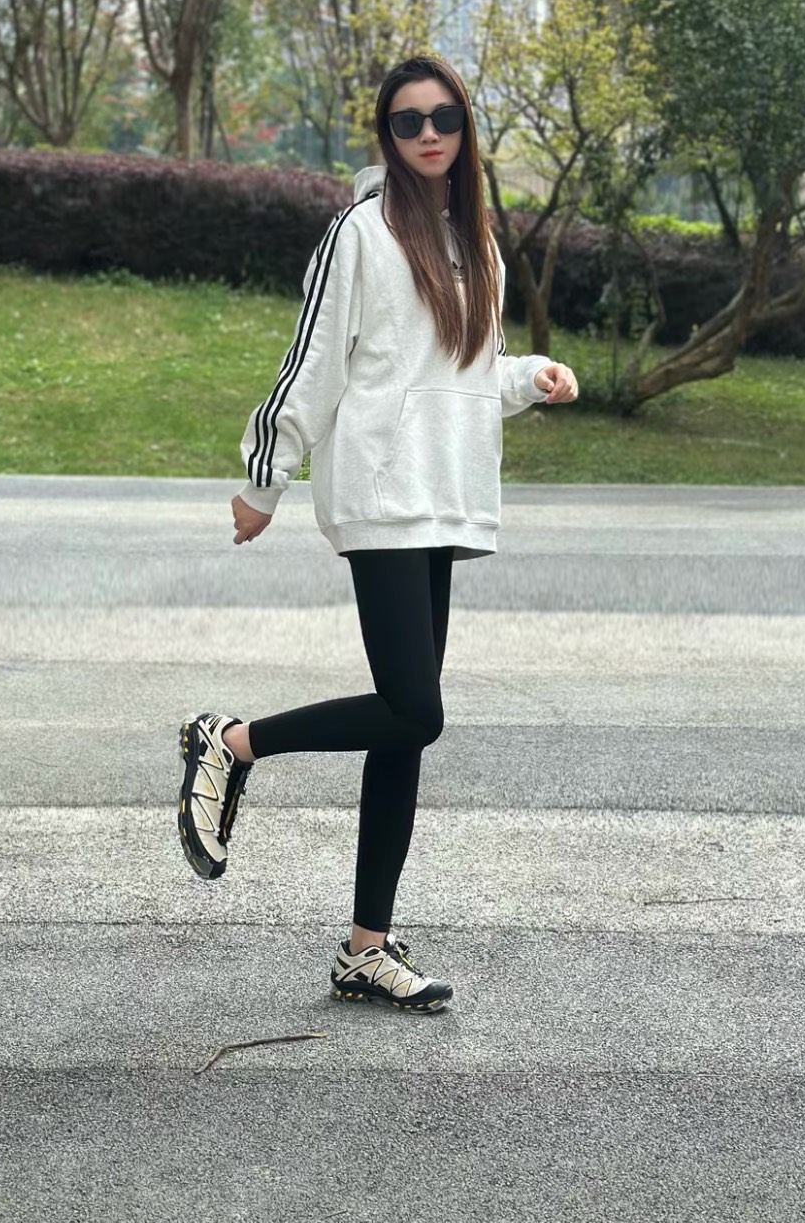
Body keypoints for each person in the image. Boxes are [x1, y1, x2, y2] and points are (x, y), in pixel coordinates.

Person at [177, 53, 579, 1015]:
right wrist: (265, 479)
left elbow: (462, 372)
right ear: (387, 136)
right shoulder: (360, 232)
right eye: (408, 121)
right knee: (415, 709)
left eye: (443, 117)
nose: (428, 133)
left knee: (405, 729)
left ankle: (366, 948)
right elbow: (312, 362)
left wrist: (531, 378)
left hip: (444, 495)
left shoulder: (475, 242)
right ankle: (231, 743)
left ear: (465, 128)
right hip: (383, 492)